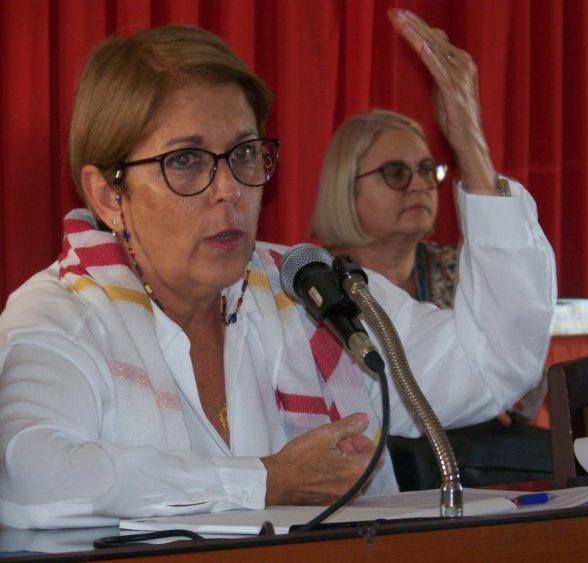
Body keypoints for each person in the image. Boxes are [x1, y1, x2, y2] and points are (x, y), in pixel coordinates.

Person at [0, 9, 556, 529]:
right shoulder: (65, 311)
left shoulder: (309, 296)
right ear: (108, 195)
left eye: (243, 154)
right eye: (185, 161)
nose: (228, 190)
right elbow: (29, 477)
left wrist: (473, 154)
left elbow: (493, 366)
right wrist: (264, 482)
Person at [309, 61, 551, 489]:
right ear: (346, 187)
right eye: (397, 173)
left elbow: (522, 381)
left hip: (473, 470)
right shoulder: (309, 284)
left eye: (427, 170)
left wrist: (474, 395)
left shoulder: (464, 266)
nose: (419, 184)